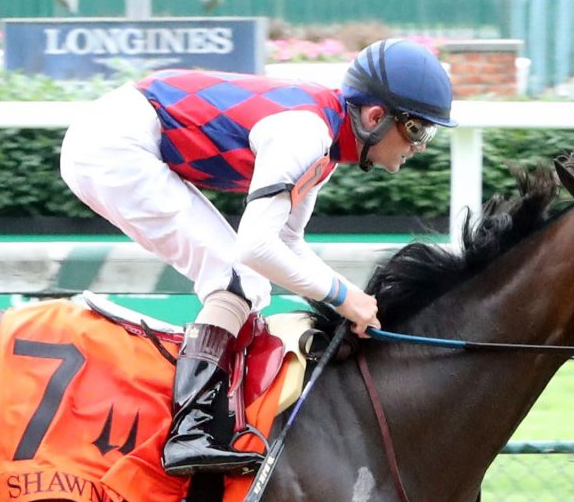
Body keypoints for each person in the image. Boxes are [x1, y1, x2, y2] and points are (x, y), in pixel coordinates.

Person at [59, 37, 455, 476]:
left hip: (119, 135)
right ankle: (189, 432)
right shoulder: (307, 134)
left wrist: (354, 299)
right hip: (113, 145)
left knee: (245, 281)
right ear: (375, 117)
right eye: (416, 129)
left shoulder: (323, 143)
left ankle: (204, 421)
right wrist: (344, 297)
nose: (420, 145)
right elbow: (256, 247)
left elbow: (288, 243)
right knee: (237, 276)